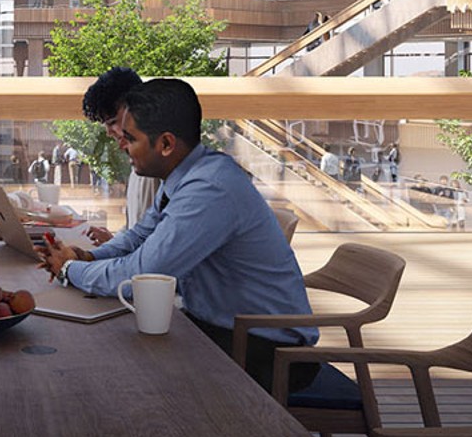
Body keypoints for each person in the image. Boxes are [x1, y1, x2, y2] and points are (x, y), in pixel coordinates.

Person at [38, 78, 317, 394]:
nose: (121, 145)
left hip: (266, 349)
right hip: (220, 327)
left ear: (166, 144)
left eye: (131, 138)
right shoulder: (186, 176)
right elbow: (138, 236)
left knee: (113, 367)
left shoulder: (209, 190)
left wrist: (69, 269)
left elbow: (141, 274)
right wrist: (87, 256)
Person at [79, 66, 152, 246]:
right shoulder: (137, 165)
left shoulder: (157, 166)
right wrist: (112, 243)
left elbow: (153, 248)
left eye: (113, 122)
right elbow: (136, 230)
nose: (109, 132)